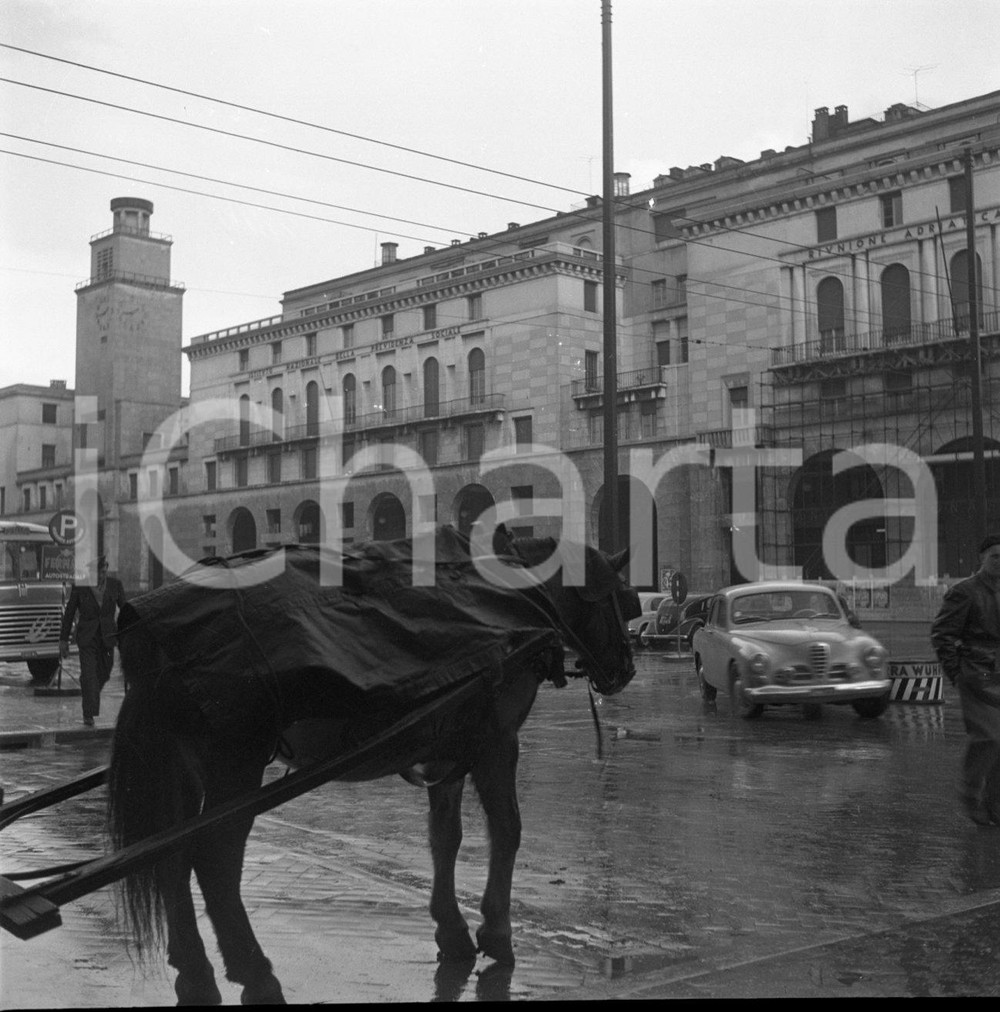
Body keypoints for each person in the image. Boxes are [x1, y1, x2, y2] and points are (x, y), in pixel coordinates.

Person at [931, 533, 1000, 826]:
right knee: (989, 737)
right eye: (995, 556)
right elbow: (942, 634)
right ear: (982, 558)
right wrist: (956, 673)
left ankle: (994, 805)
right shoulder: (965, 592)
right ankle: (970, 794)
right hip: (978, 674)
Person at [59, 556, 127, 726]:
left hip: (108, 637)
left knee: (104, 672)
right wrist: (63, 640)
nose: (101, 576)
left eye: (104, 572)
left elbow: (125, 610)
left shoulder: (115, 585)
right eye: (98, 573)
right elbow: (69, 613)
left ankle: (90, 693)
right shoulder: (80, 587)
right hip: (87, 638)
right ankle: (88, 714)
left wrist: (128, 635)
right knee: (89, 675)